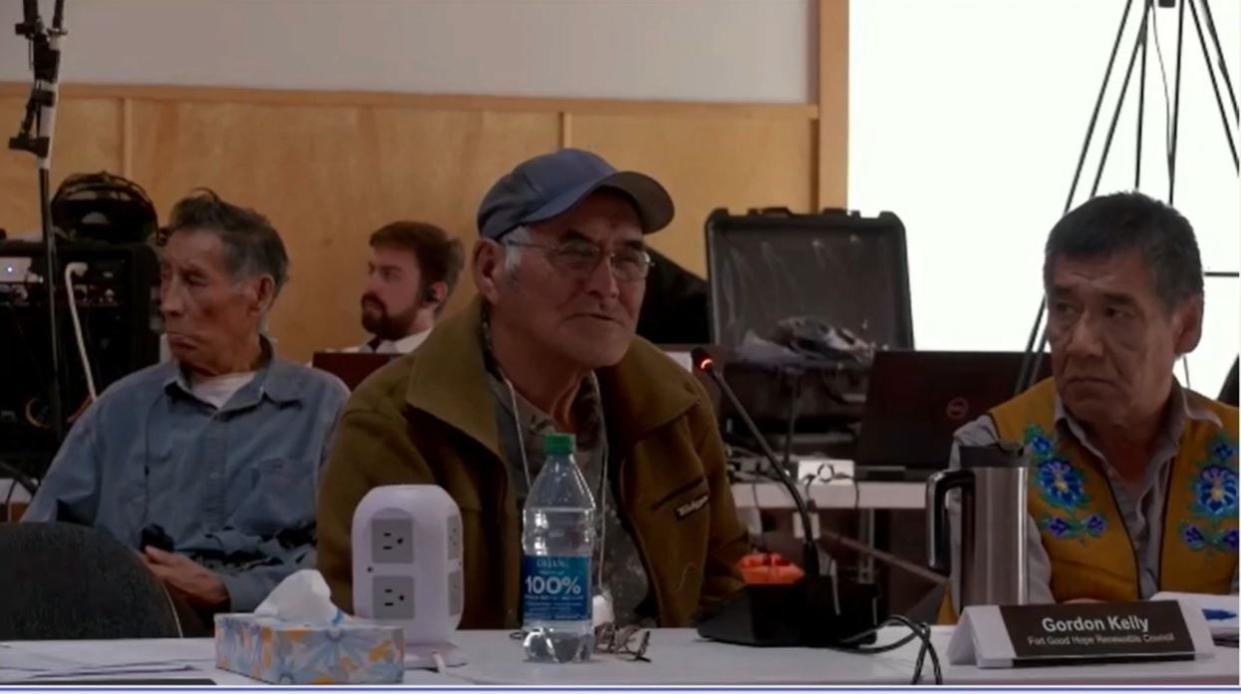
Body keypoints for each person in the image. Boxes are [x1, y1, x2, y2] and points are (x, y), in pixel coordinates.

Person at [317, 149, 748, 628]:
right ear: (490, 269)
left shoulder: (674, 405)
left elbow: (724, 585)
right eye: (576, 253)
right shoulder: (396, 420)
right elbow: (371, 629)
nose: (607, 286)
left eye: (628, 259)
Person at [24, 190, 349, 630]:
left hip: (278, 646)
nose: (170, 303)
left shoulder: (323, 408)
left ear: (258, 294)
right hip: (133, 639)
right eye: (166, 278)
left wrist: (230, 590)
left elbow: (351, 558)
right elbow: (37, 548)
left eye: (194, 281)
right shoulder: (118, 410)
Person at [944, 191, 1238, 618]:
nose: (1081, 344)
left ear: (1186, 326)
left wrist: (1100, 623)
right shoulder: (994, 452)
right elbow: (1015, 650)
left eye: (1116, 314)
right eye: (1064, 309)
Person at [349, 221, 463, 354]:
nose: (371, 286)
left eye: (390, 275)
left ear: (434, 294)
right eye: (371, 270)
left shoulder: (454, 370)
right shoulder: (335, 367)